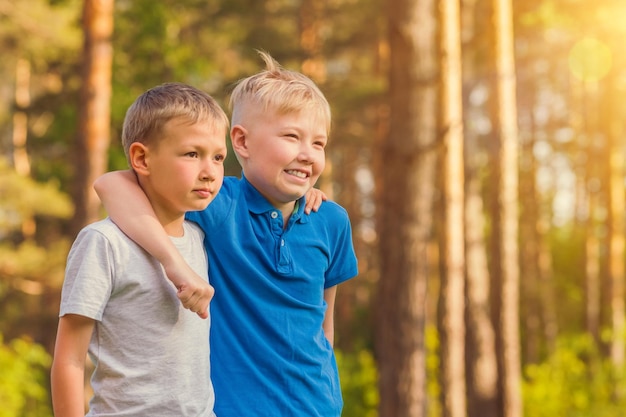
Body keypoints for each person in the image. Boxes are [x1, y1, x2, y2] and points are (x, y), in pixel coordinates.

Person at [94, 51, 359, 417]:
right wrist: (174, 265)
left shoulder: (332, 221)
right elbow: (110, 184)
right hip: (235, 407)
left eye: (318, 143)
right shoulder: (221, 204)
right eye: (292, 137)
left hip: (318, 407)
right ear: (242, 142)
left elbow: (325, 323)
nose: (307, 154)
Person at [51, 82, 230, 417]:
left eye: (218, 157)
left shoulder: (200, 237)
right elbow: (69, 359)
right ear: (141, 158)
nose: (210, 172)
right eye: (192, 154)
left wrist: (308, 193)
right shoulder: (104, 243)